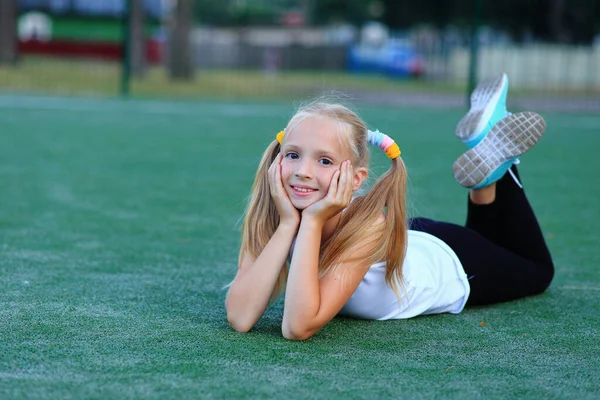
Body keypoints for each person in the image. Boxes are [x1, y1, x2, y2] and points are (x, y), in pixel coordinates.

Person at [225, 73, 554, 340]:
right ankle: (485, 174)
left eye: (324, 160)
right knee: (492, 238)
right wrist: (286, 225)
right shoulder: (270, 214)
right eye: (294, 154)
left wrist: (310, 222)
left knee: (538, 271)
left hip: (452, 261)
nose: (303, 171)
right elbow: (240, 317)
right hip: (408, 237)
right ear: (278, 158)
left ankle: (500, 166)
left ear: (356, 179)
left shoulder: (366, 229)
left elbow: (298, 326)